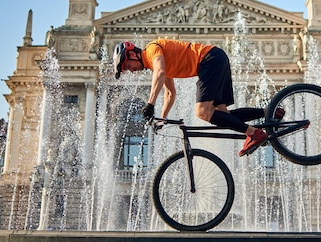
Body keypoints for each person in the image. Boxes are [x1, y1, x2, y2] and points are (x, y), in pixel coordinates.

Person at [113, 39, 284, 156]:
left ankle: (253, 133)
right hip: (216, 58)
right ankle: (269, 112)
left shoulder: (152, 50)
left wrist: (150, 104)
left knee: (202, 111)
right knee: (223, 113)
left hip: (209, 60)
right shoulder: (157, 64)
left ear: (132, 54)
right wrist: (162, 118)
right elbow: (170, 93)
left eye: (128, 66)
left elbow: (160, 72)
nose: (131, 70)